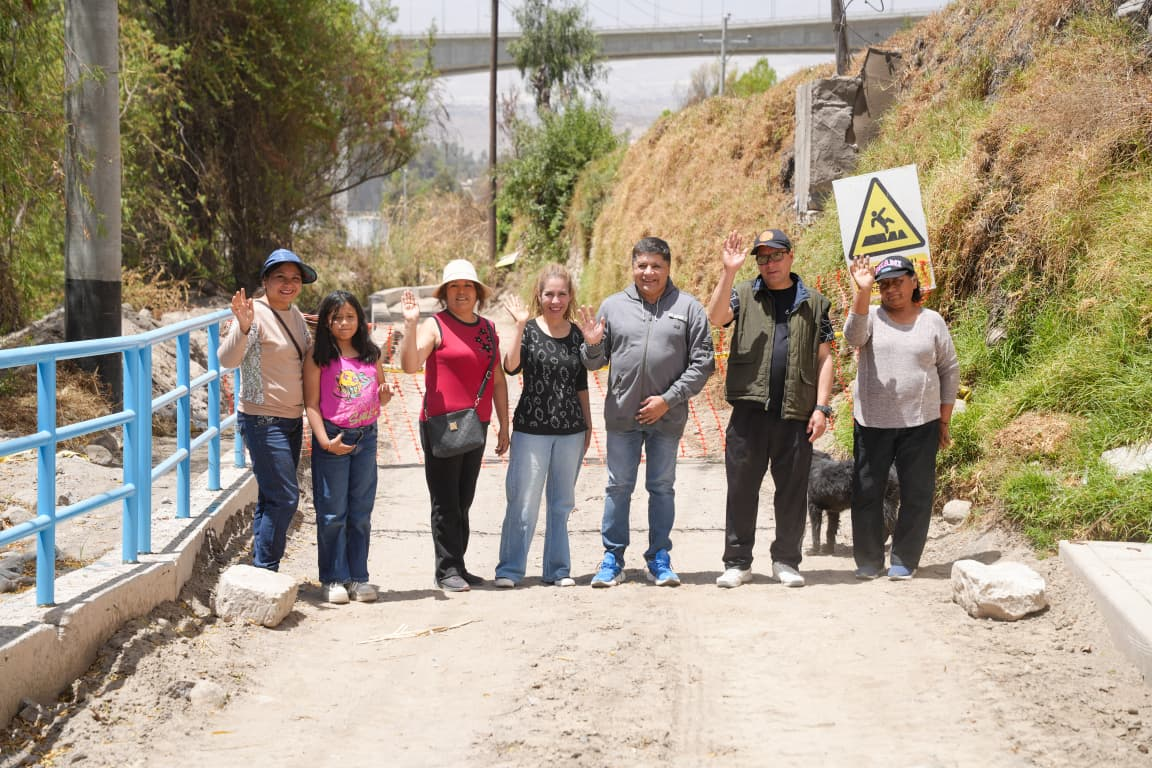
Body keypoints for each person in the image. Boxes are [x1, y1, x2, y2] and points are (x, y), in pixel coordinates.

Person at [578, 236, 715, 588]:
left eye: (656, 265)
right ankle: (612, 559)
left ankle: (659, 558)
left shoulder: (689, 308)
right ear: (633, 267)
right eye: (642, 265)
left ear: (668, 268)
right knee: (617, 487)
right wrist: (592, 345)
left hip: (666, 418)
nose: (649, 272)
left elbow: (702, 364)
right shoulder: (612, 306)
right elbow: (595, 362)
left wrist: (667, 400)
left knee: (662, 487)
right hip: (623, 417)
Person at [706, 229, 835, 589]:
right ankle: (737, 562)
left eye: (776, 255)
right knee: (741, 489)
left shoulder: (816, 303)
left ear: (791, 256)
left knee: (792, 491)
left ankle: (786, 561)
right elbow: (716, 318)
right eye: (762, 258)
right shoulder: (745, 294)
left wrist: (822, 408)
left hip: (796, 413)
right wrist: (729, 271)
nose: (770, 263)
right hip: (749, 412)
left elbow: (825, 358)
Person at [844, 253, 959, 581]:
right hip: (872, 422)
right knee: (867, 490)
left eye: (897, 282)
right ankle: (868, 559)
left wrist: (944, 419)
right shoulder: (870, 316)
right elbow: (853, 337)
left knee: (917, 491)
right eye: (884, 285)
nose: (891, 290)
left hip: (920, 422)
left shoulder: (932, 321)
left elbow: (949, 369)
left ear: (913, 282)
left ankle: (904, 558)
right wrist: (862, 291)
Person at [400, 260, 510, 592]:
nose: (461, 292)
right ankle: (446, 569)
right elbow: (408, 366)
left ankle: (458, 565)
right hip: (441, 424)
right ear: (445, 293)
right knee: (445, 501)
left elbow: (500, 381)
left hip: (476, 424)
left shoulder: (488, 329)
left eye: (467, 286)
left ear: (477, 292)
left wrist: (505, 425)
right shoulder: (435, 326)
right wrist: (410, 326)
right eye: (453, 287)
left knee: (464, 499)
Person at [494, 265, 592, 589]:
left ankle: (558, 570)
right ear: (539, 295)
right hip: (531, 430)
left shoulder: (577, 334)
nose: (555, 300)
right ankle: (509, 570)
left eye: (562, 293)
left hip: (571, 432)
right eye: (549, 293)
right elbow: (510, 367)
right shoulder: (531, 330)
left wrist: (588, 425)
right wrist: (520, 326)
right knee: (523, 501)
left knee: (562, 503)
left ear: (570, 296)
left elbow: (581, 383)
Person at [219, 248, 317, 572]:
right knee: (286, 497)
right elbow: (227, 360)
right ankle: (266, 568)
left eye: (294, 279)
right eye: (280, 278)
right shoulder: (253, 313)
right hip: (262, 419)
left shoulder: (295, 315)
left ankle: (260, 567)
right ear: (265, 281)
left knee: (271, 496)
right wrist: (243, 328)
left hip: (291, 419)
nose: (288, 284)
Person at [304, 291, 392, 604]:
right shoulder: (318, 356)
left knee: (360, 512)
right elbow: (311, 404)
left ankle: (358, 577)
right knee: (332, 513)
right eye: (337, 317)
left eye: (350, 317)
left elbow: (380, 394)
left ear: (360, 320)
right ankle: (333, 578)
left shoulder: (371, 354)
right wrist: (325, 442)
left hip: (366, 438)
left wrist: (385, 395)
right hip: (332, 438)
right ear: (326, 320)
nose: (344, 323)